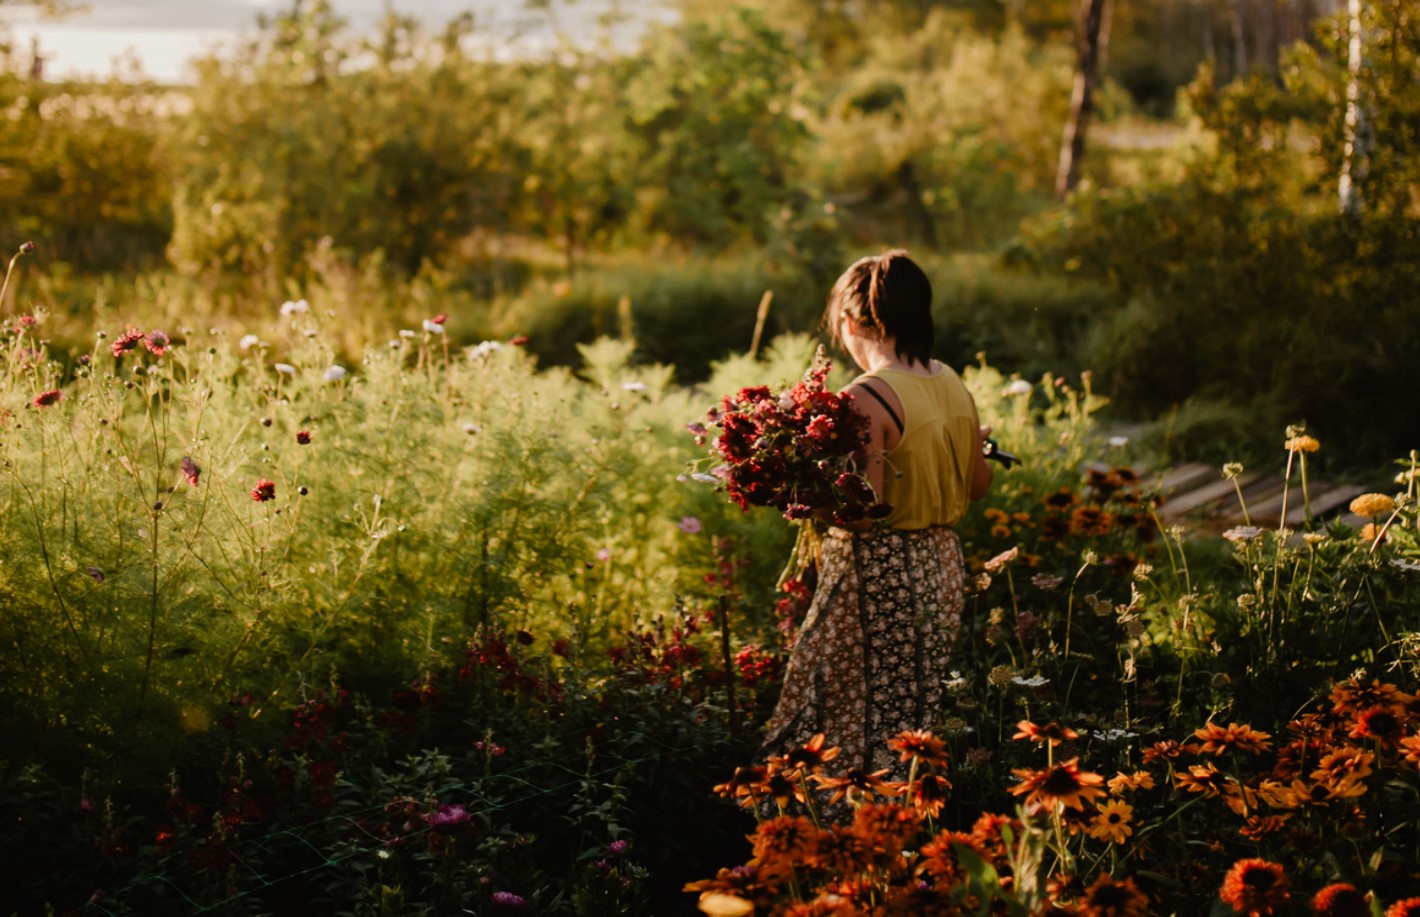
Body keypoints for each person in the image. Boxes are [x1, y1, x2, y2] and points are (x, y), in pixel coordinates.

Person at [759, 249, 993, 798]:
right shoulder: (950, 381)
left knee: (843, 704)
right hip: (940, 566)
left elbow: (865, 516)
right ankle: (912, 815)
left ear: (855, 321)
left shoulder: (866, 397)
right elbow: (977, 486)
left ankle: (840, 827)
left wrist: (792, 491)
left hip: (879, 574)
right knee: (912, 708)